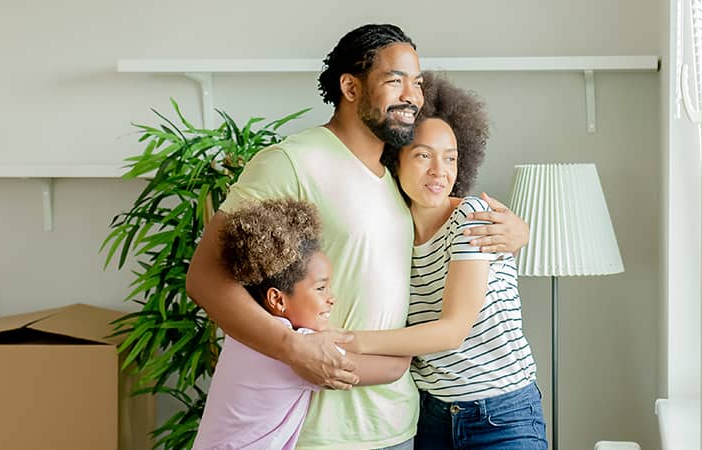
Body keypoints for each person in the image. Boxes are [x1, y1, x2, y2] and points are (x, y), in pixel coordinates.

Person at [186, 24, 529, 450]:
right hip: (317, 432)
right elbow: (205, 277)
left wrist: (517, 231)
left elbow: (445, 222)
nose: (412, 95)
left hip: (401, 426)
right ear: (350, 86)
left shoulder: (399, 180)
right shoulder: (291, 161)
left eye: (417, 83)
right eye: (395, 80)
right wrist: (292, 347)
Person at [345, 73, 547, 449]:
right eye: (424, 155)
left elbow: (452, 331)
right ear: (394, 159)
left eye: (450, 158)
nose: (440, 171)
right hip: (431, 415)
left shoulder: (471, 217)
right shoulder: (391, 230)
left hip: (501, 417)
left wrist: (349, 342)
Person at [192, 199, 409, 450]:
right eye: (320, 287)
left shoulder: (244, 334)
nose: (332, 298)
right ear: (277, 299)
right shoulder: (297, 350)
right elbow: (394, 368)